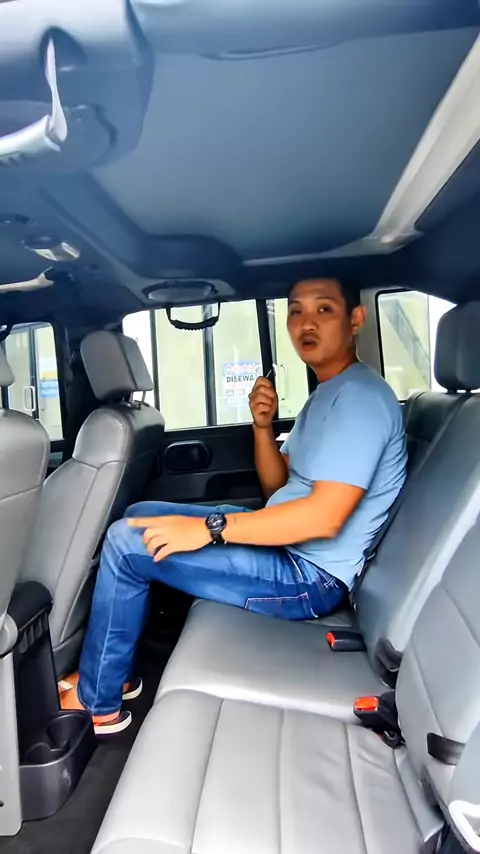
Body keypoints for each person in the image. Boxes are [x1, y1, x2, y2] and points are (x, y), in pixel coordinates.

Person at [60, 277, 407, 734]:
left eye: (324, 309)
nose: (306, 323)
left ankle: (98, 703)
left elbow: (323, 518)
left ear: (355, 319)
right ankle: (114, 671)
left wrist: (210, 529)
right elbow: (277, 486)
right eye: (296, 310)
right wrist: (262, 426)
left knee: (127, 545)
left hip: (308, 577)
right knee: (139, 517)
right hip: (287, 546)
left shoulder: (362, 400)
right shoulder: (328, 393)